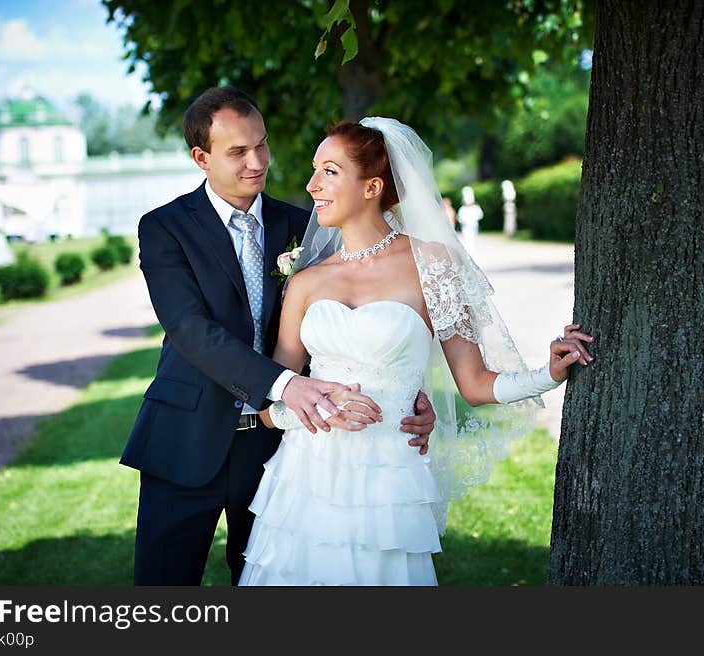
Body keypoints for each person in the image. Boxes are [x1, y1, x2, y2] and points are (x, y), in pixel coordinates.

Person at [238, 118, 594, 586]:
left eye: (329, 171)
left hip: (389, 482)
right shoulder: (305, 281)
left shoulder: (433, 264)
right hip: (305, 483)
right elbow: (274, 399)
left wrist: (546, 373)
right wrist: (321, 408)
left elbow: (476, 384)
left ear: (372, 187)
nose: (311, 185)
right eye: (314, 170)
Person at [120, 89, 436, 586]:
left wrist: (405, 394)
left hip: (278, 447)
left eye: (261, 145)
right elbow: (190, 330)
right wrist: (287, 385)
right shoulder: (165, 228)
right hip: (184, 439)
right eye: (238, 152)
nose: (257, 161)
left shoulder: (305, 225)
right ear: (201, 158)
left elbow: (351, 315)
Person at [457, 184, 484, 258]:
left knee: (473, 236)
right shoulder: (463, 209)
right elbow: (460, 217)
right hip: (466, 225)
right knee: (467, 237)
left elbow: (480, 215)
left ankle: (472, 249)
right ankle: (468, 250)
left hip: (473, 224)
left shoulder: (475, 207)